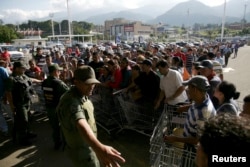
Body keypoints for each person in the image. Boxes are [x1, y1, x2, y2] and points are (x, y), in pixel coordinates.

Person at [56, 66, 126, 167]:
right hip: (83, 155)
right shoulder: (70, 101)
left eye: (93, 83)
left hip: (89, 148)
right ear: (76, 82)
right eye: (87, 84)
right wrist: (99, 148)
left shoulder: (83, 95)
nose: (92, 87)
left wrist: (96, 148)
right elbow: (81, 123)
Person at [164, 76, 216, 149]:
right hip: (187, 138)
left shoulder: (204, 113)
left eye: (189, 88)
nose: (187, 90)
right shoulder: (203, 98)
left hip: (193, 148)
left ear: (194, 89)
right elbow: (197, 105)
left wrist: (175, 139)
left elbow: (197, 140)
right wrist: (186, 107)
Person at [5, 61, 41, 146]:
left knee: (28, 118)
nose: (24, 69)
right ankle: (23, 139)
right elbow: (8, 93)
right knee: (23, 121)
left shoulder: (22, 76)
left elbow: (31, 80)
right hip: (19, 104)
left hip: (26, 101)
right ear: (17, 69)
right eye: (22, 68)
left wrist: (41, 81)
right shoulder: (11, 79)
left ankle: (28, 133)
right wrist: (11, 105)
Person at [42, 64, 69, 150]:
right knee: (64, 126)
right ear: (55, 72)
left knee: (55, 127)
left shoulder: (45, 82)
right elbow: (68, 92)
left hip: (49, 107)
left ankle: (57, 143)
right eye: (59, 71)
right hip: (59, 108)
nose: (60, 72)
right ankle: (65, 144)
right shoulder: (59, 83)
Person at [0, 60, 9, 137]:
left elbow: (8, 83)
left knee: (10, 112)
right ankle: (5, 129)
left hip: (4, 96)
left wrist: (6, 96)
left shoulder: (2, 70)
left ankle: (20, 129)